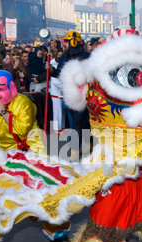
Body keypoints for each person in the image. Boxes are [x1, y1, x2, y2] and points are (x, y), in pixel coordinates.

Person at [46, 30, 91, 161]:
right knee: (77, 122)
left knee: (80, 122)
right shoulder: (65, 57)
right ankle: (84, 147)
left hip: (84, 95)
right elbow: (59, 73)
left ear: (73, 41)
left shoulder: (86, 55)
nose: (64, 44)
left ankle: (76, 150)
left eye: (66, 41)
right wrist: (51, 69)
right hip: (70, 94)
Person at [0, 70, 46, 154]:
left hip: (31, 145)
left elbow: (23, 130)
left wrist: (3, 113)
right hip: (5, 148)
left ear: (12, 87)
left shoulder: (23, 102)